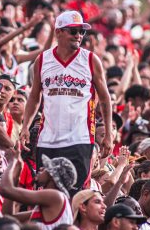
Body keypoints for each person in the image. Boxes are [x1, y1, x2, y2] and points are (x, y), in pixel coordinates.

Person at [20, 10, 113, 191]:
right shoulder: (42, 60)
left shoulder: (91, 60)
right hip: (48, 139)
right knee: (46, 191)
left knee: (75, 193)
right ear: (59, 32)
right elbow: (34, 96)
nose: (78, 35)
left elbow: (105, 98)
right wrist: (25, 126)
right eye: (73, 31)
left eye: (81, 31)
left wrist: (109, 133)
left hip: (80, 139)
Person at [0, 154, 77, 230]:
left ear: (52, 175)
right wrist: (15, 179)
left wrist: (12, 162)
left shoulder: (55, 196)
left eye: (45, 167)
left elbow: (5, 189)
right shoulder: (51, 203)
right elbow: (8, 217)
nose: (40, 168)